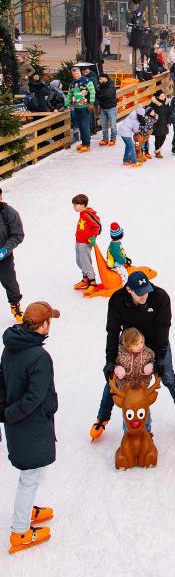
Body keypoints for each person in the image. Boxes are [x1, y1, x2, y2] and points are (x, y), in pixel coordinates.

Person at [90, 271, 175, 442]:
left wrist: (160, 357)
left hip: (156, 342)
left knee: (168, 376)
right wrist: (110, 360)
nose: (144, 295)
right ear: (129, 290)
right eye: (139, 293)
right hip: (131, 343)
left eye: (146, 290)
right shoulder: (117, 300)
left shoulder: (160, 297)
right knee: (114, 379)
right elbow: (112, 331)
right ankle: (102, 418)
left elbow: (163, 328)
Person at [2, 300, 60, 554]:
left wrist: (6, 412)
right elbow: (34, 396)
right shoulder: (39, 357)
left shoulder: (11, 347)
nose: (51, 326)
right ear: (43, 324)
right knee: (30, 476)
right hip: (30, 425)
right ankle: (20, 532)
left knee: (35, 471)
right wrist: (10, 414)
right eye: (50, 321)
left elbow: (2, 381)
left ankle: (25, 510)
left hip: (21, 424)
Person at [113, 327, 154, 431]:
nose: (140, 345)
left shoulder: (147, 353)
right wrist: (117, 368)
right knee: (128, 411)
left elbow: (154, 359)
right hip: (126, 390)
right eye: (136, 344)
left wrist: (151, 365)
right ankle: (127, 431)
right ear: (128, 345)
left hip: (141, 388)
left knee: (144, 409)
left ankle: (147, 429)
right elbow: (113, 363)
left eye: (141, 342)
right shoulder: (120, 355)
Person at [0, 188, 25, 323]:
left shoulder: (8, 213)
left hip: (3, 257)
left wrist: (5, 250)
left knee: (10, 282)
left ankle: (15, 306)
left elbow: (18, 235)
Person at [71, 193, 100, 292]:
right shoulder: (82, 213)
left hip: (85, 243)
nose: (74, 207)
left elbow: (97, 225)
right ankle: (85, 278)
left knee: (85, 262)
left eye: (76, 205)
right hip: (79, 241)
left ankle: (92, 282)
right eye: (74, 205)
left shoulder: (87, 214)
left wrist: (93, 237)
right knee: (79, 261)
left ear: (83, 205)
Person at [66, 65, 95, 152]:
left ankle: (87, 144)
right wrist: (67, 104)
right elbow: (70, 94)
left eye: (77, 73)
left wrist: (91, 103)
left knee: (85, 125)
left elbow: (92, 91)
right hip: (77, 107)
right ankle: (83, 142)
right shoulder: (72, 84)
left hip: (85, 106)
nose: (76, 75)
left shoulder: (86, 81)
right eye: (74, 74)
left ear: (80, 73)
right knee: (80, 126)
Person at [146, 89, 173, 159]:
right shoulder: (153, 104)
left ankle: (158, 149)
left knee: (163, 137)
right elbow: (148, 112)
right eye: (161, 96)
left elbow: (169, 112)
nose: (163, 97)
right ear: (157, 97)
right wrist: (153, 117)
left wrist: (169, 121)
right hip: (157, 123)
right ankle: (158, 152)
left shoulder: (166, 103)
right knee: (158, 137)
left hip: (165, 123)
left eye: (163, 95)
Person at [95, 73, 118, 146]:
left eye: (100, 79)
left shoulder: (111, 85)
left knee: (113, 125)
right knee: (104, 125)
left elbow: (107, 95)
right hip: (103, 108)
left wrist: (100, 95)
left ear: (105, 78)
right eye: (99, 79)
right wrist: (99, 94)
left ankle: (113, 139)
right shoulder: (100, 86)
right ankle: (105, 139)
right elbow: (97, 95)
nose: (99, 80)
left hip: (111, 108)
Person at [105, 222, 131, 286]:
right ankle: (125, 286)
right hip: (115, 265)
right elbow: (118, 257)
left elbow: (120, 254)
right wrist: (125, 261)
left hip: (117, 262)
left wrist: (125, 258)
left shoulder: (116, 243)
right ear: (120, 236)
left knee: (126, 268)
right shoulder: (115, 246)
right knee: (125, 273)